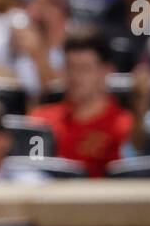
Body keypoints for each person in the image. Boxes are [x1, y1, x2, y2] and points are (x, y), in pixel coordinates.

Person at [29, 31, 133, 177]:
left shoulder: (124, 126)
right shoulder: (40, 121)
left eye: (84, 68)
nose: (75, 76)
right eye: (70, 67)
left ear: (106, 71)